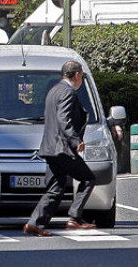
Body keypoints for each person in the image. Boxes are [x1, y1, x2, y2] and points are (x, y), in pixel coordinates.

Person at [23, 61, 97, 237]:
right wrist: (75, 139)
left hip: (50, 147)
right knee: (88, 179)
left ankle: (34, 223)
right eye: (81, 76)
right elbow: (64, 119)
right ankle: (74, 218)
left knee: (56, 187)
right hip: (61, 148)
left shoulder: (53, 91)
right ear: (77, 75)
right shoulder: (68, 92)